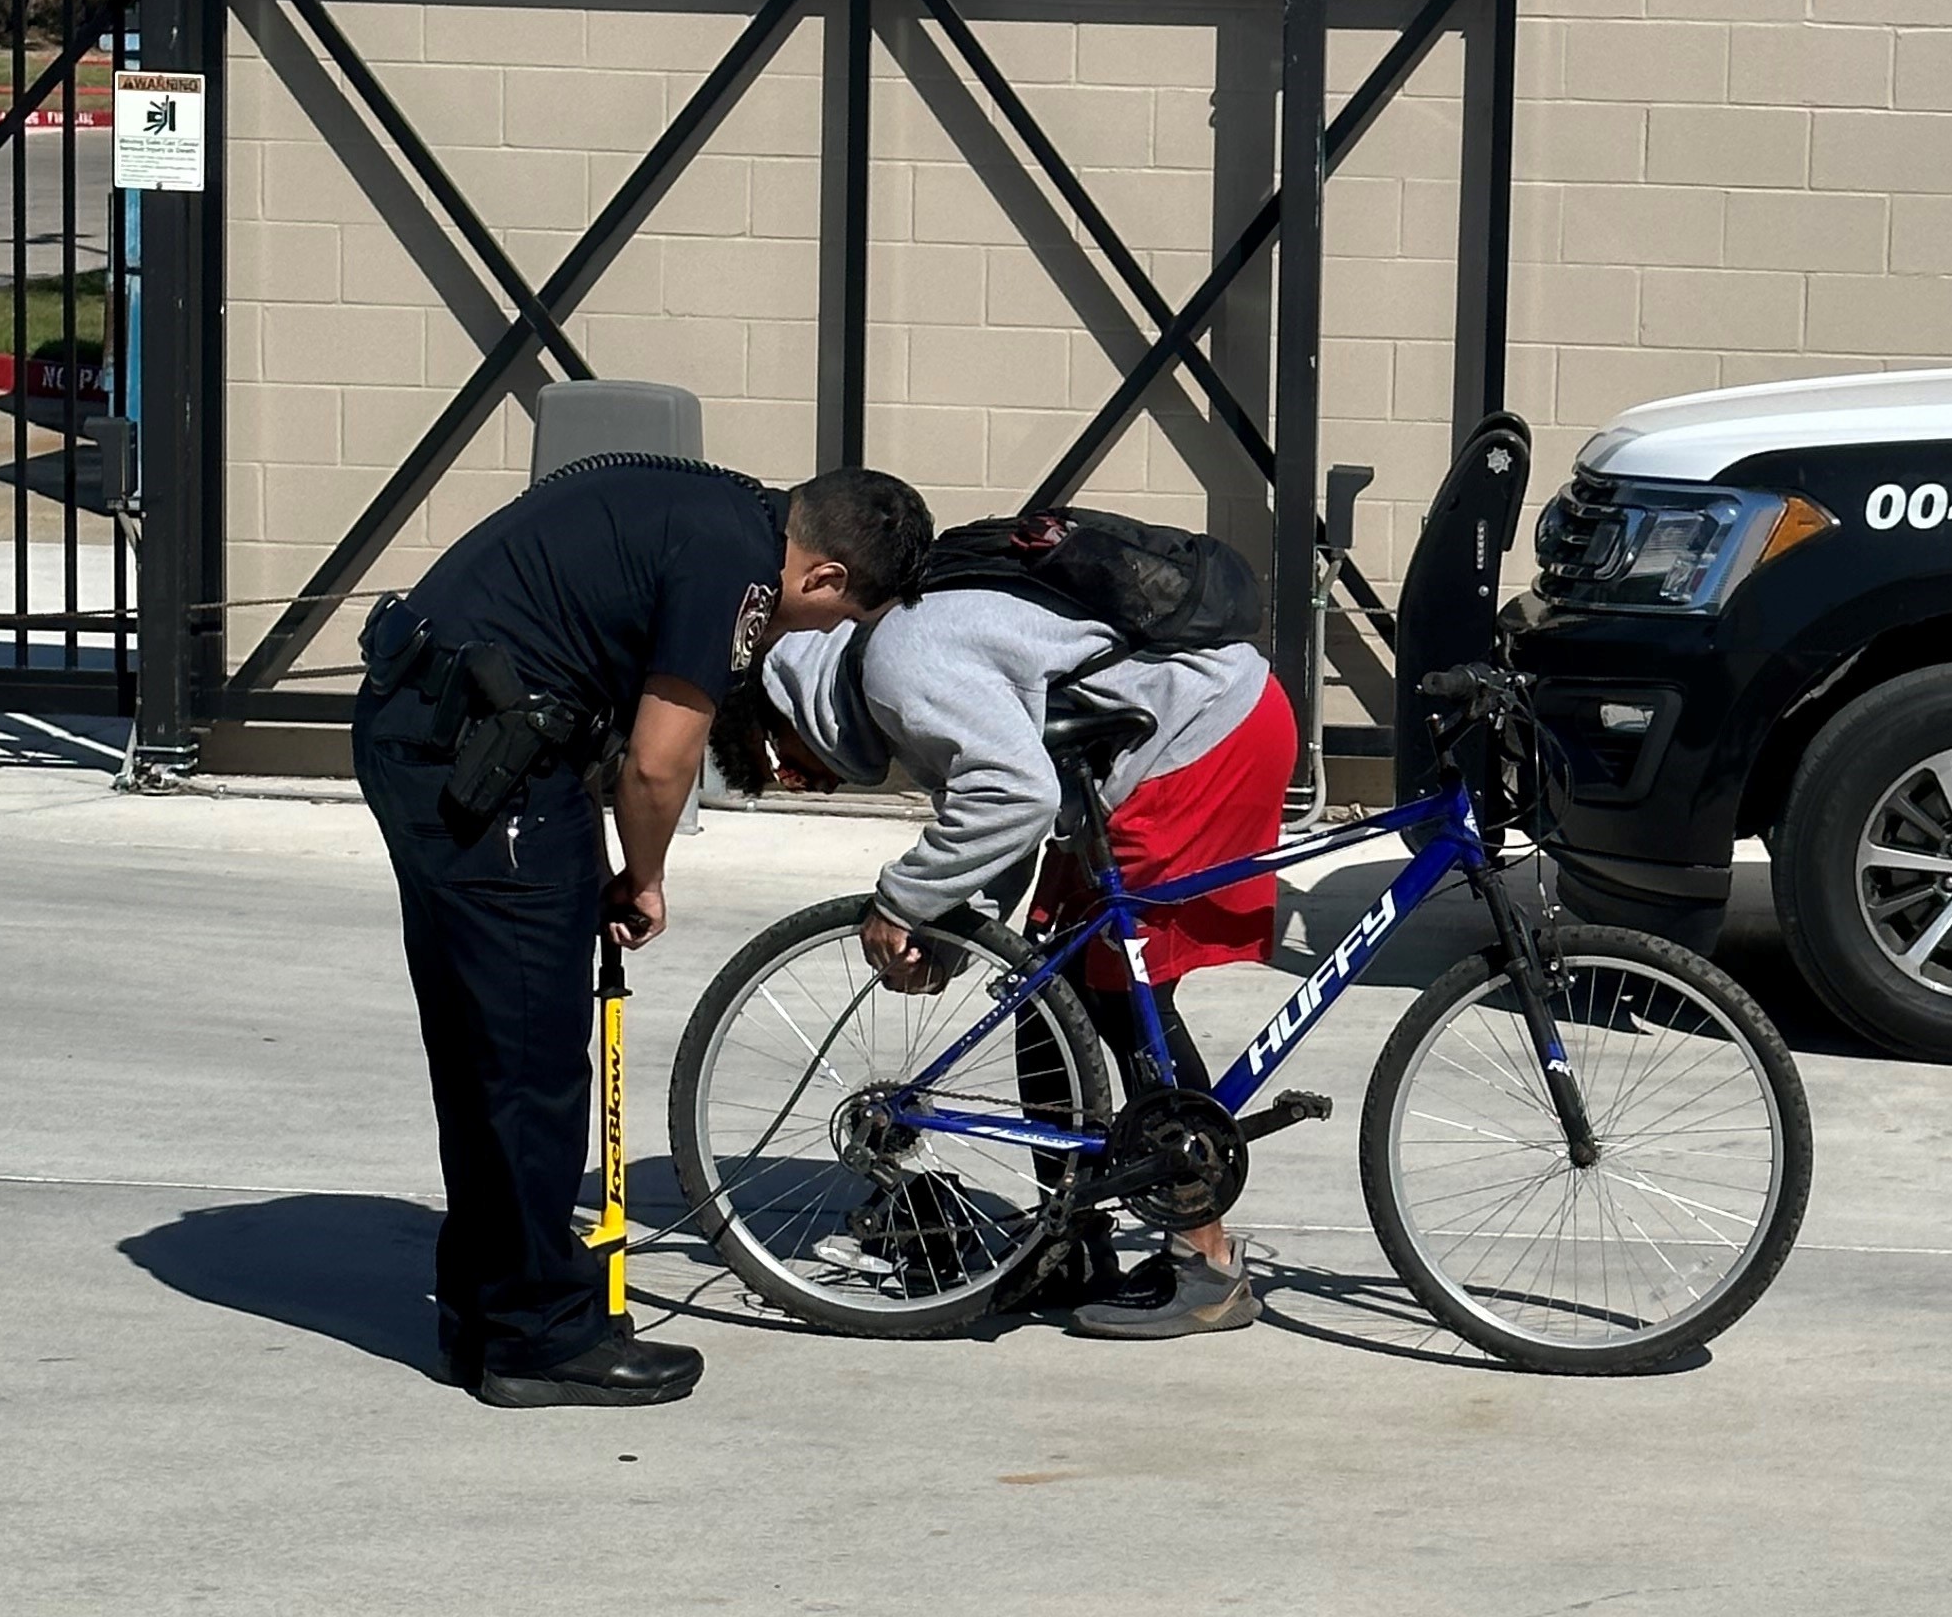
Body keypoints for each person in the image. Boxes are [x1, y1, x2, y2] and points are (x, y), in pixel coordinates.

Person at [353, 451, 857, 1406]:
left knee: (484, 1047)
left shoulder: (720, 512)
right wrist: (646, 875)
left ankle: (489, 1308)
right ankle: (539, 1335)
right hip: (477, 765)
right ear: (823, 575)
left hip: (447, 736)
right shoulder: (736, 567)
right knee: (531, 1059)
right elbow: (662, 765)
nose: (815, 630)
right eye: (835, 615)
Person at [752, 470, 1298, 1338]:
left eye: (773, 739)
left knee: (1121, 999)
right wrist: (955, 927)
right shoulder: (907, 645)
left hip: (1201, 737)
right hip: (1172, 739)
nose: (785, 770)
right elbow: (999, 813)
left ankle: (1206, 1261)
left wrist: (901, 903)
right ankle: (1065, 1239)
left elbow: (1013, 798)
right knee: (1051, 995)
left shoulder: (897, 660)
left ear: (800, 706)